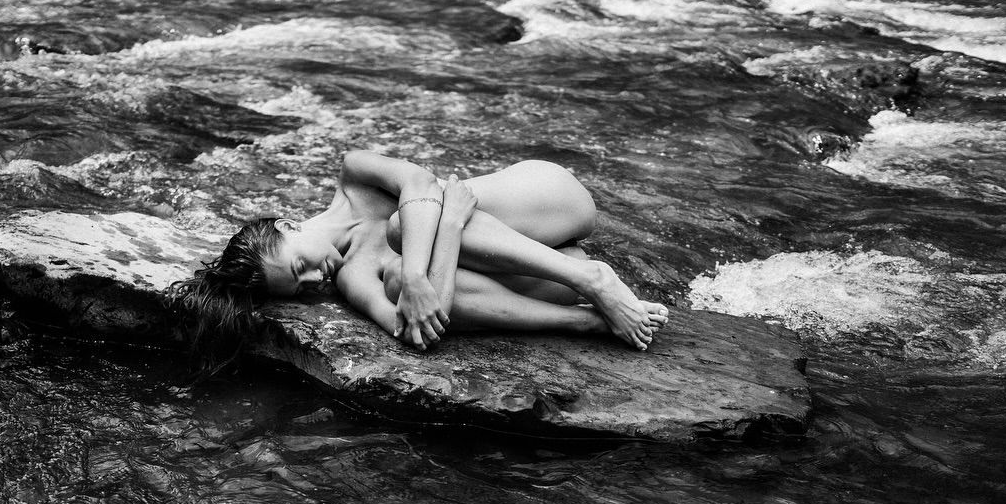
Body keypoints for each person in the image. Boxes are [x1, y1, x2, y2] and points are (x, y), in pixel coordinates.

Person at [177, 151, 668, 361]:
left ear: (288, 225)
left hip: (551, 197)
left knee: (403, 227)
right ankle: (584, 319)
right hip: (550, 263)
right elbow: (420, 330)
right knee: (400, 277)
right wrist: (448, 228)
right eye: (302, 290)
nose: (313, 280)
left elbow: (420, 183)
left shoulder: (354, 175)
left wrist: (417, 275)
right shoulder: (352, 278)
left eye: (298, 266)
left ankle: (595, 281)